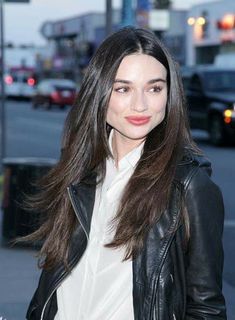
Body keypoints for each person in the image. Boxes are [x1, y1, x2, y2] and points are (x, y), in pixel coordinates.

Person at [26, 27, 226, 319]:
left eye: (155, 88)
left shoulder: (188, 185)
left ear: (170, 95)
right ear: (100, 93)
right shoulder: (78, 173)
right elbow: (52, 283)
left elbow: (206, 308)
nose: (141, 105)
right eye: (123, 89)